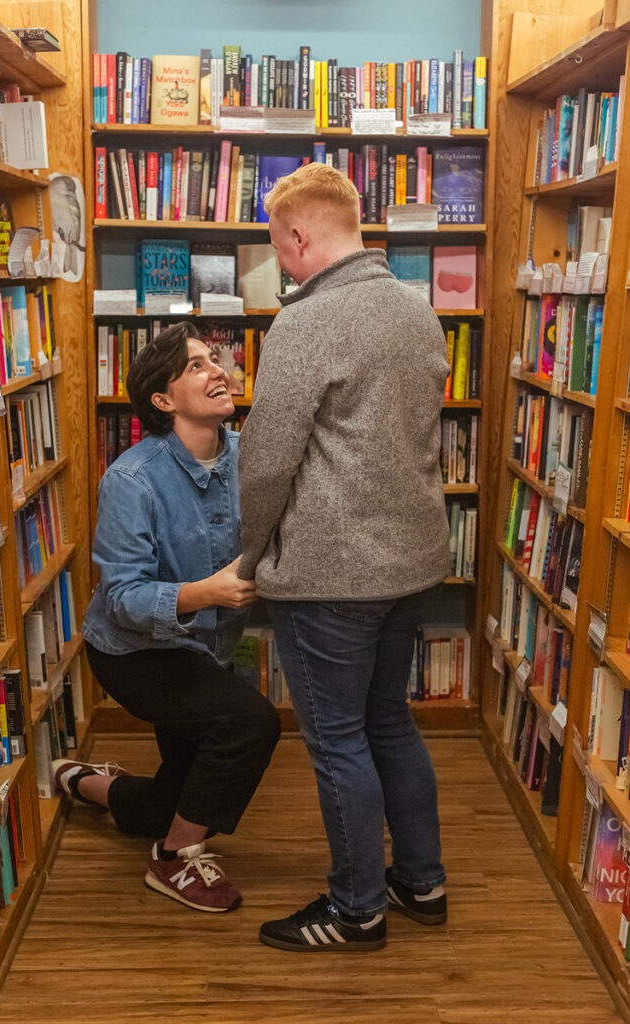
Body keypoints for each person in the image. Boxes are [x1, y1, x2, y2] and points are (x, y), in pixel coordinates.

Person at [238, 162, 450, 952]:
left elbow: (265, 461)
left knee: (336, 740)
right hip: (409, 560)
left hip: (331, 570)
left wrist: (250, 554)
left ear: (298, 234)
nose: (280, 263)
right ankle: (421, 884)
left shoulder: (304, 323)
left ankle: (356, 908)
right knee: (388, 723)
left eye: (278, 247)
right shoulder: (416, 309)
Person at [55, 322, 281, 913]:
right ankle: (172, 860)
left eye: (216, 359)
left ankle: (83, 781)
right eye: (197, 366)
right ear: (162, 400)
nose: (218, 371)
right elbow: (125, 596)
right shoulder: (132, 479)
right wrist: (205, 593)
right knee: (249, 724)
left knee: (168, 804)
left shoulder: (250, 457)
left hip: (204, 648)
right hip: (135, 653)